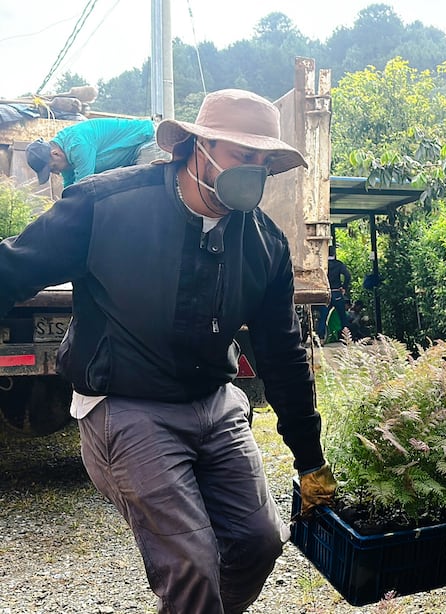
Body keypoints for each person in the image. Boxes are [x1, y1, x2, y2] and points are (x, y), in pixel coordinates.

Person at [0, 88, 337, 614]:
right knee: (191, 564)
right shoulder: (105, 205)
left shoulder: (264, 243)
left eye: (263, 161)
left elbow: (283, 353)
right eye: (240, 155)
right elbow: (11, 270)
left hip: (212, 403)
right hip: (126, 405)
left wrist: (310, 458)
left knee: (259, 542)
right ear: (196, 147)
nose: (253, 170)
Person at [25, 117, 159, 187]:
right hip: (131, 156)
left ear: (55, 154)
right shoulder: (65, 158)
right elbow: (69, 190)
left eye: (53, 167)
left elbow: (84, 187)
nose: (57, 172)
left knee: (144, 190)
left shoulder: (77, 144)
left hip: (146, 142)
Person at [316, 244, 351, 340]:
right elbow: (347, 276)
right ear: (334, 254)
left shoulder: (323, 265)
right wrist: (344, 287)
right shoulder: (339, 264)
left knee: (323, 317)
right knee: (342, 316)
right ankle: (346, 338)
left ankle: (321, 338)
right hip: (337, 292)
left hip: (326, 292)